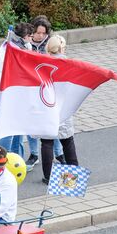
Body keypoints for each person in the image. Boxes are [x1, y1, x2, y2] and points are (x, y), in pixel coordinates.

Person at [0, 23, 33, 167]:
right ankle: (0, 161)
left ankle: (16, 160)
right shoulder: (10, 49)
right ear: (24, 37)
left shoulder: (24, 47)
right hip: (4, 96)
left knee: (17, 129)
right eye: (30, 36)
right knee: (7, 130)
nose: (32, 39)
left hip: (15, 97)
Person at [26, 15, 65, 170]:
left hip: (47, 91)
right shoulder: (27, 45)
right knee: (32, 125)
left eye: (44, 33)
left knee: (51, 125)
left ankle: (59, 153)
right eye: (38, 33)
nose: (41, 36)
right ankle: (34, 154)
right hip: (32, 90)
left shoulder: (50, 44)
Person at [41, 35, 80, 184]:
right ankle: (73, 176)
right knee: (67, 141)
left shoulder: (43, 63)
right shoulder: (69, 63)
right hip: (64, 107)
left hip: (47, 106)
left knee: (47, 142)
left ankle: (48, 176)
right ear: (62, 47)